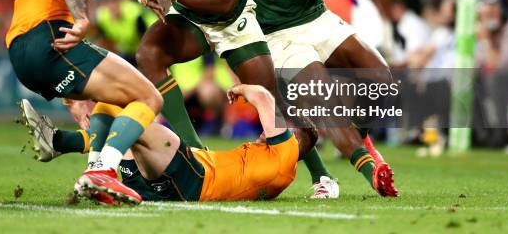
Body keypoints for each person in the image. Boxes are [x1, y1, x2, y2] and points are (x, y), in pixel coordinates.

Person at [119, 0, 330, 188]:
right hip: (190, 19)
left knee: (269, 97)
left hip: (232, 22)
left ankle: (321, 173)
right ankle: (193, 152)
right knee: (149, 52)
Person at [229, 0, 399, 197]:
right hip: (280, 37)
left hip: (319, 19)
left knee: (383, 83)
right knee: (326, 101)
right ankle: (371, 169)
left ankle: (358, 140)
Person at [5, 0, 163, 204]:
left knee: (110, 97)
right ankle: (103, 171)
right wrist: (80, 16)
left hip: (20, 52)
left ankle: (81, 161)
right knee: (149, 98)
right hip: (50, 39)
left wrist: (70, 97)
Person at [20, 83, 317, 204]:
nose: (272, 126)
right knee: (123, 124)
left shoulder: (285, 155)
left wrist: (242, 88)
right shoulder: (277, 168)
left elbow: (263, 96)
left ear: (295, 137)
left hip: (193, 176)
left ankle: (85, 158)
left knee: (134, 102)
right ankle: (60, 144)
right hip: (167, 185)